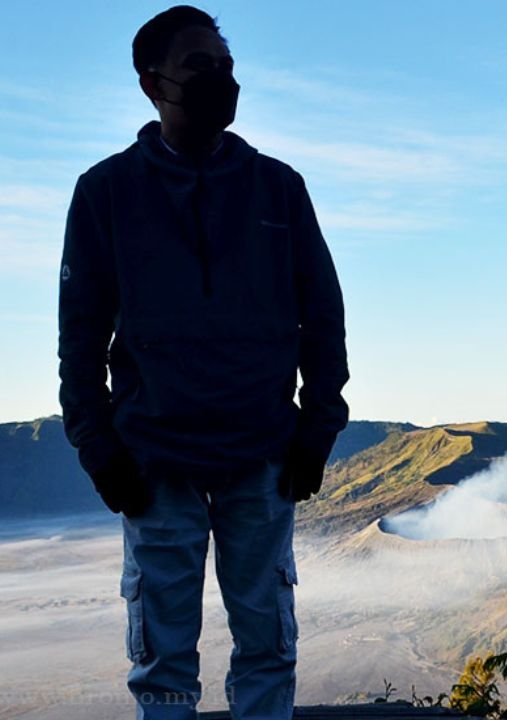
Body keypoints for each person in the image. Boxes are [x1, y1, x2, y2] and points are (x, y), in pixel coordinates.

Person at [56, 5, 350, 719]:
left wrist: (316, 430)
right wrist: (101, 451)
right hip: (155, 461)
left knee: (268, 645)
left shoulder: (279, 187)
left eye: (226, 67)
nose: (221, 79)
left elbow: (325, 315)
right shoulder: (105, 193)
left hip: (263, 454)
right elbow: (80, 338)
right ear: (151, 83)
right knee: (161, 662)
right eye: (201, 66)